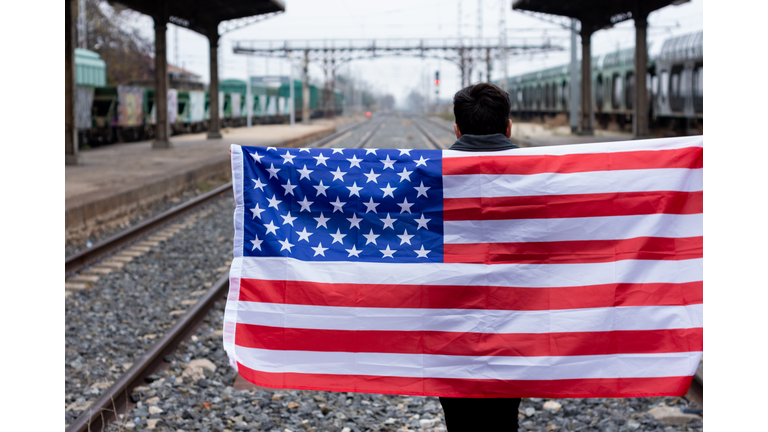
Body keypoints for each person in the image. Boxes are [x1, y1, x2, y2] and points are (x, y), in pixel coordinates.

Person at [439, 82, 521, 431]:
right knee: (504, 418)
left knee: (459, 420)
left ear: (456, 129)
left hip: (449, 328)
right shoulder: (542, 177)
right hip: (518, 327)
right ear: (508, 127)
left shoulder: (428, 176)